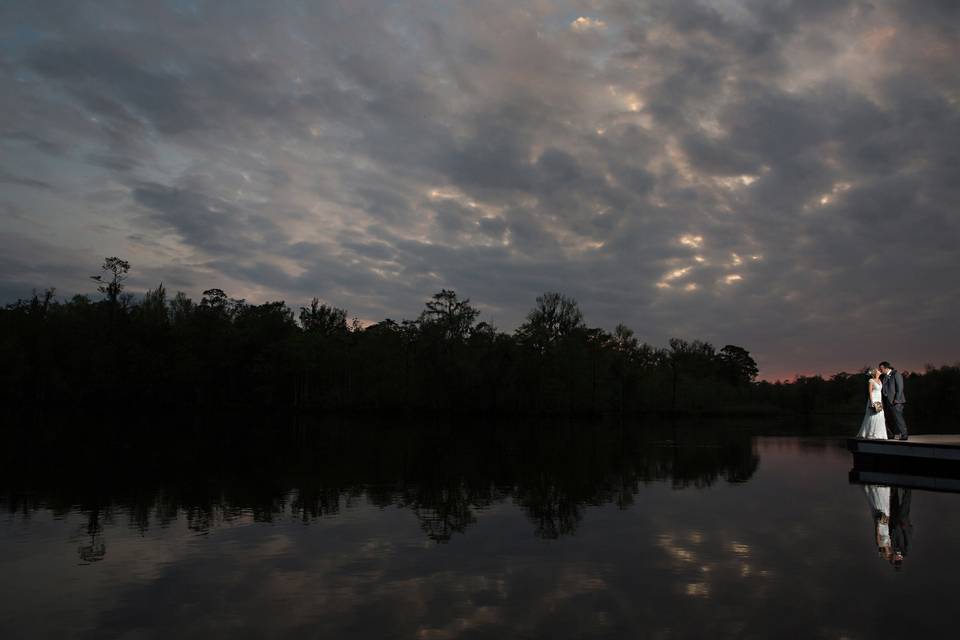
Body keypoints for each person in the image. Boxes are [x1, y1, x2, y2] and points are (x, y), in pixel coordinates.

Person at [879, 361, 908, 441]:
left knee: (899, 418)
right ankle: (891, 435)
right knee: (889, 419)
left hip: (896, 401)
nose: (880, 370)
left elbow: (900, 388)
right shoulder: (885, 376)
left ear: (886, 368)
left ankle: (904, 435)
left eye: (881, 368)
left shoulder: (896, 374)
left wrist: (897, 399)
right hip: (888, 401)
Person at [856, 368, 887, 439]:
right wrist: (872, 402)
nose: (880, 371)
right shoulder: (871, 380)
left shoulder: (880, 380)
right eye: (878, 370)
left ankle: (879, 434)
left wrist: (881, 402)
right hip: (873, 399)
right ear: (875, 372)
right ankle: (871, 434)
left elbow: (880, 392)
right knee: (872, 416)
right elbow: (870, 392)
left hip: (879, 399)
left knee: (880, 416)